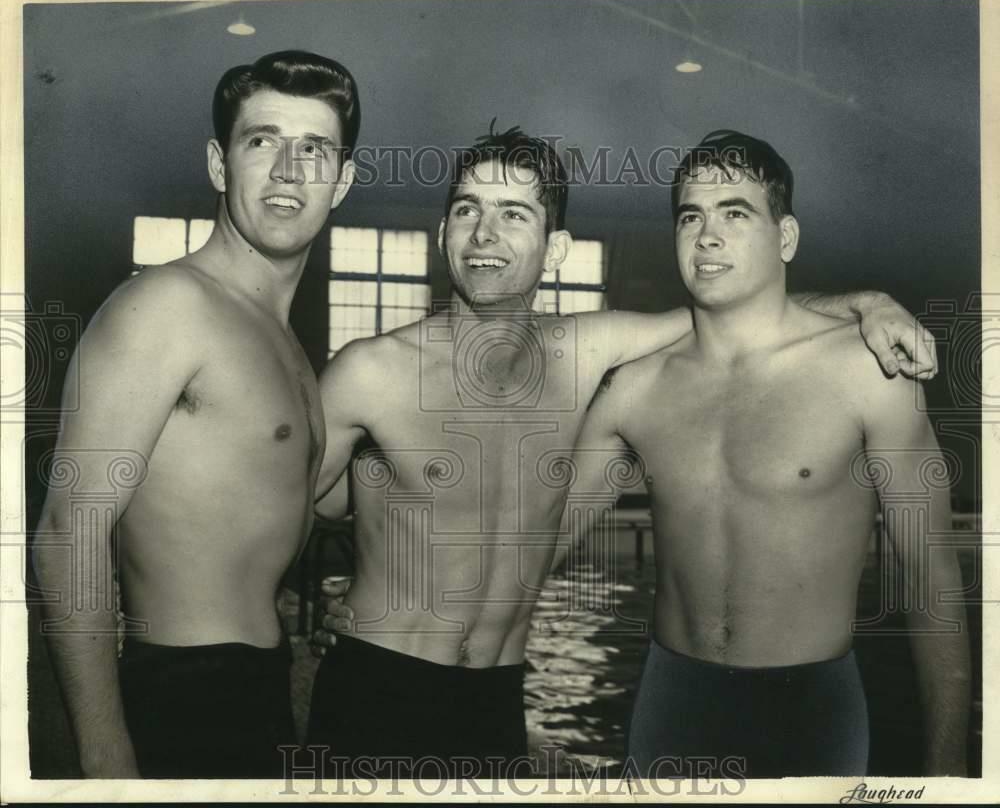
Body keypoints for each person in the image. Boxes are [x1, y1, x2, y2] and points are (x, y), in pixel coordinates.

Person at [306, 125, 937, 778]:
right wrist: (319, 617)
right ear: (442, 234)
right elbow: (282, 519)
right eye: (467, 209)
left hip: (491, 705)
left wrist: (866, 303)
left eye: (512, 213)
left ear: (555, 250)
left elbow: (743, 308)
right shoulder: (368, 371)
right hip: (374, 690)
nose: (484, 235)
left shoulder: (587, 353)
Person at [566, 130, 970, 777]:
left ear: (785, 238)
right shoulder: (633, 391)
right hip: (674, 704)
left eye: (735, 213)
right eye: (691, 216)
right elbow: (538, 545)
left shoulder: (870, 373)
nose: (707, 236)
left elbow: (933, 585)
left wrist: (950, 773)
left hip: (810, 713)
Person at [32, 50, 359, 779]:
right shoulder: (168, 307)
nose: (288, 171)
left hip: (259, 689)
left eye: (315, 149)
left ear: (343, 181)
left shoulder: (285, 344)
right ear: (219, 164)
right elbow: (66, 531)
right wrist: (105, 750)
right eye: (261, 141)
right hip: (176, 693)